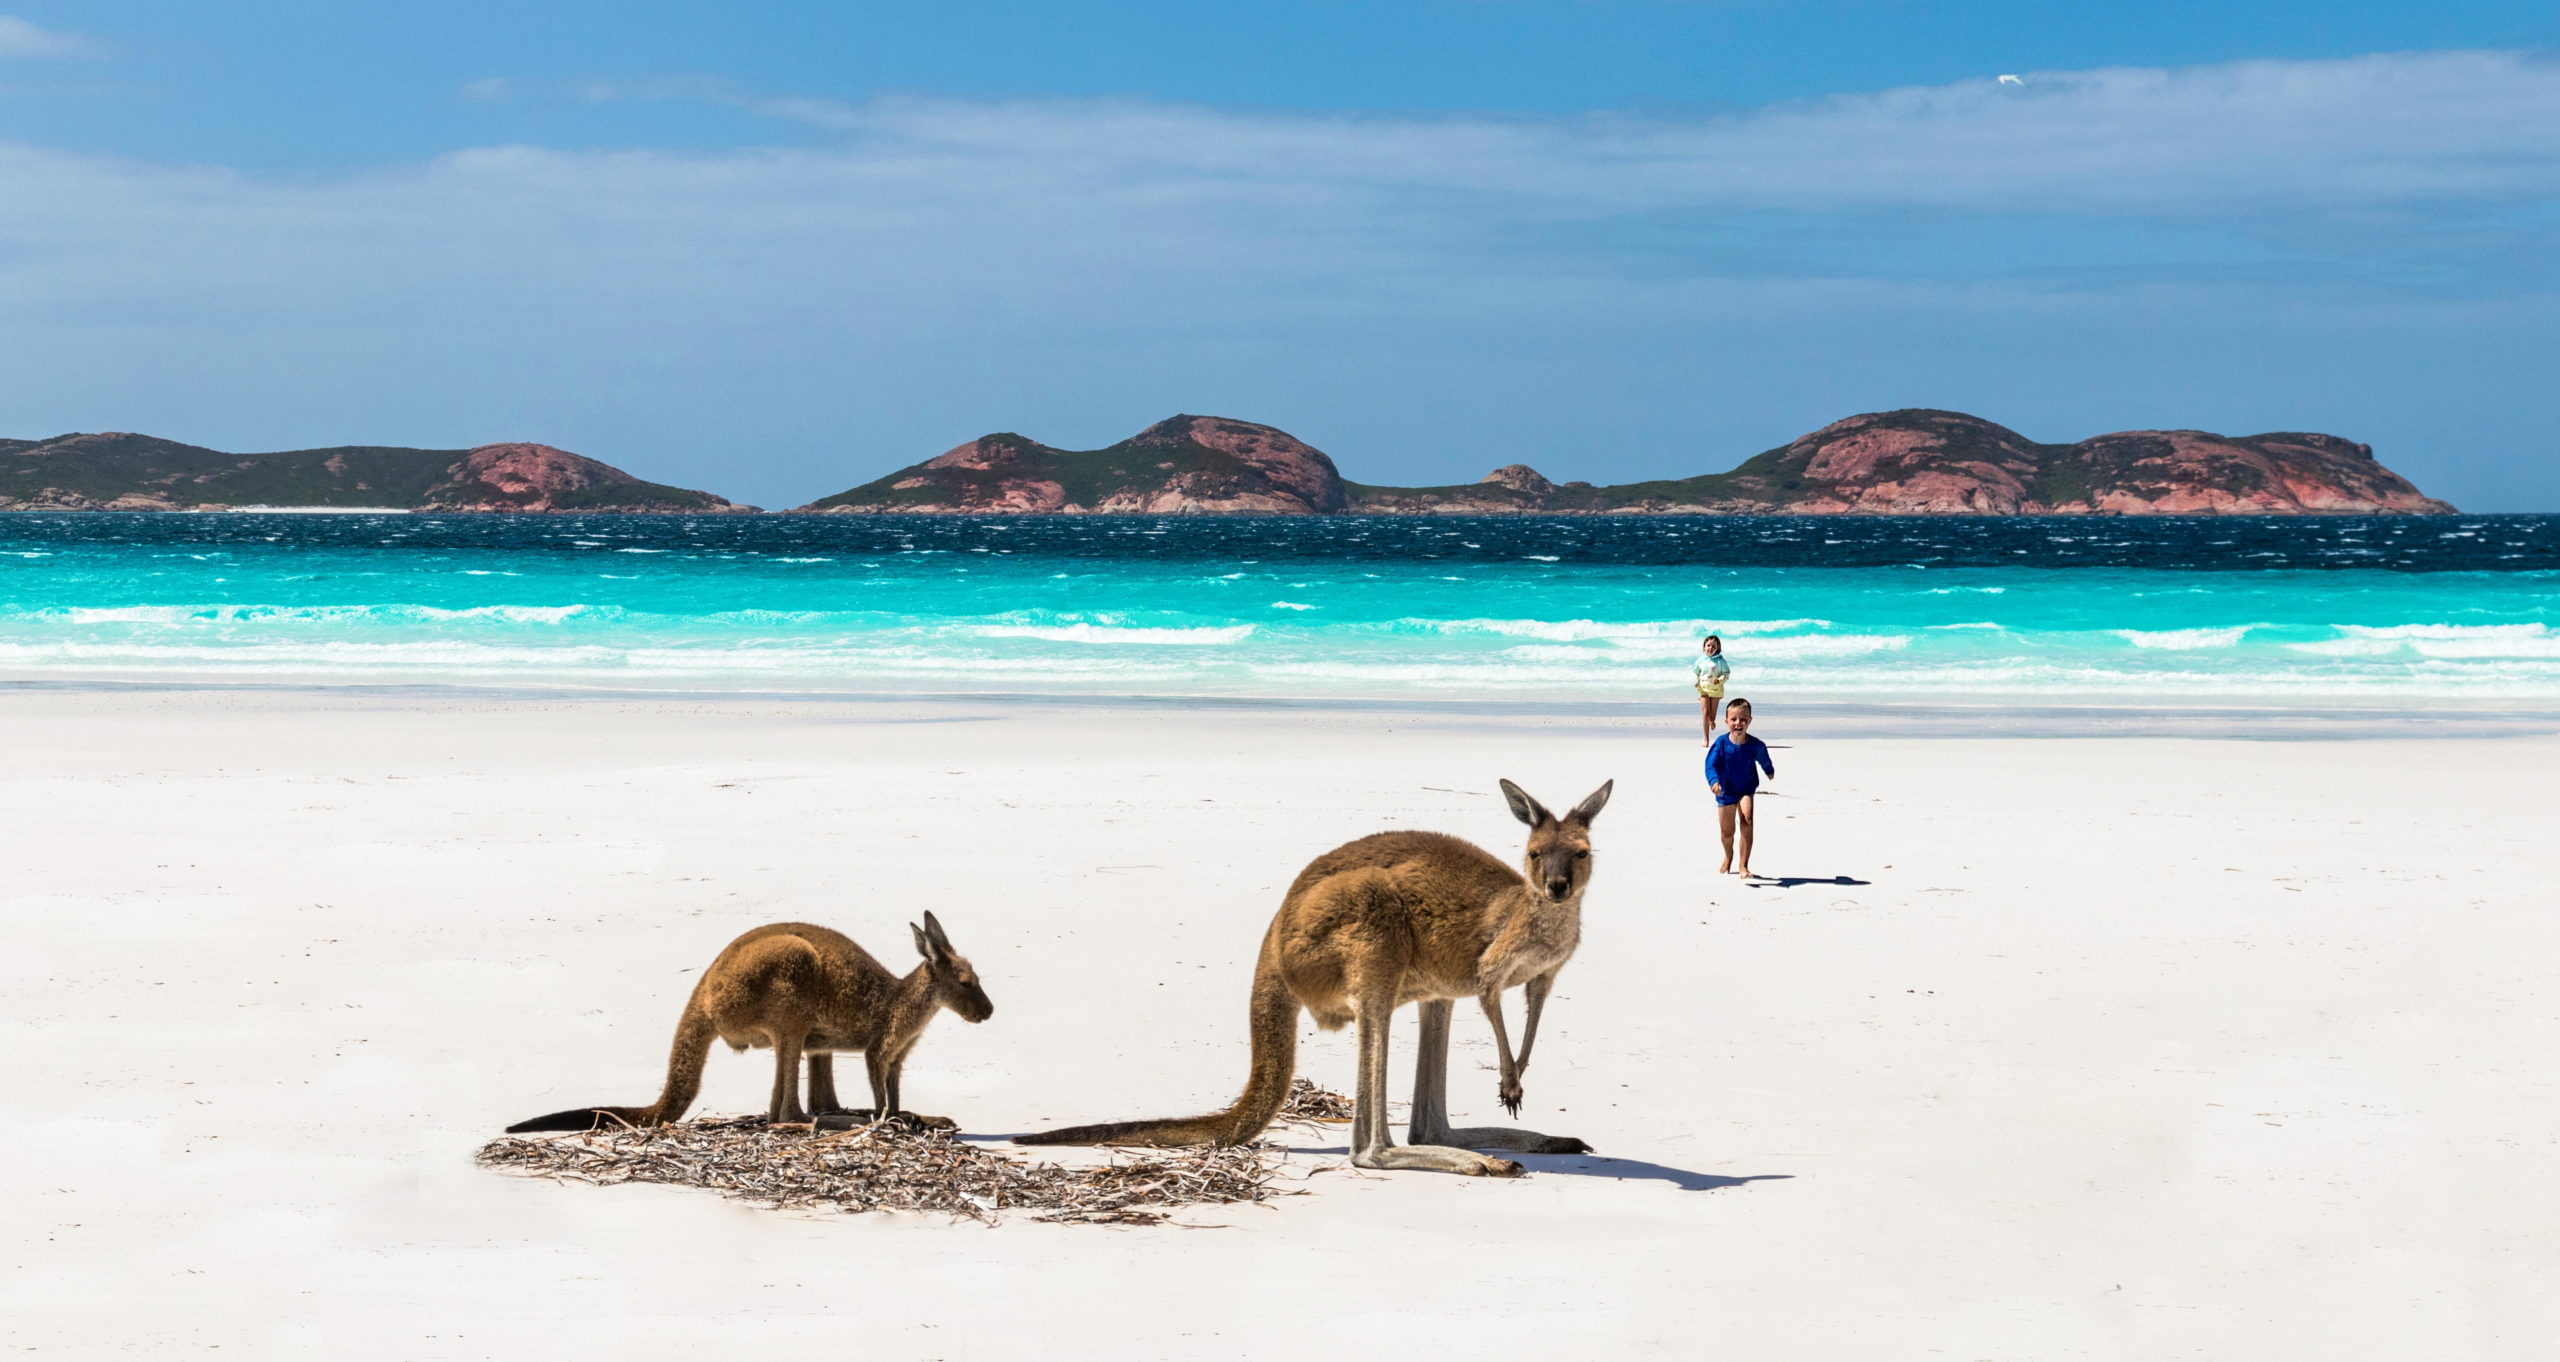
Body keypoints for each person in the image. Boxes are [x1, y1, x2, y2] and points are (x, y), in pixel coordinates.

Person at [1705, 696, 1775, 877]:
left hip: (1745, 789)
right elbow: (1710, 764)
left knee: (1747, 820)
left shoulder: (1754, 744)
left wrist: (1768, 769)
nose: (1738, 723)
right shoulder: (1721, 743)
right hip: (1725, 791)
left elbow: (1762, 755)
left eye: (1743, 719)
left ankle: (1743, 866)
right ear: (1726, 721)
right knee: (1727, 833)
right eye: (1734, 719)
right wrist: (1714, 781)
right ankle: (1728, 856)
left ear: (1749, 721)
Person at [1692, 634, 1730, 746]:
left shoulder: (1720, 661)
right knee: (1705, 713)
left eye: (1714, 646)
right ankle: (1705, 738)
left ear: (1718, 648)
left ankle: (1712, 721)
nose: (1710, 648)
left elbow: (1726, 674)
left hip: (1715, 690)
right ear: (1704, 647)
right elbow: (1697, 672)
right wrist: (1697, 681)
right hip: (1703, 689)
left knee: (1711, 716)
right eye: (1708, 645)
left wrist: (1719, 680)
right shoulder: (1701, 660)